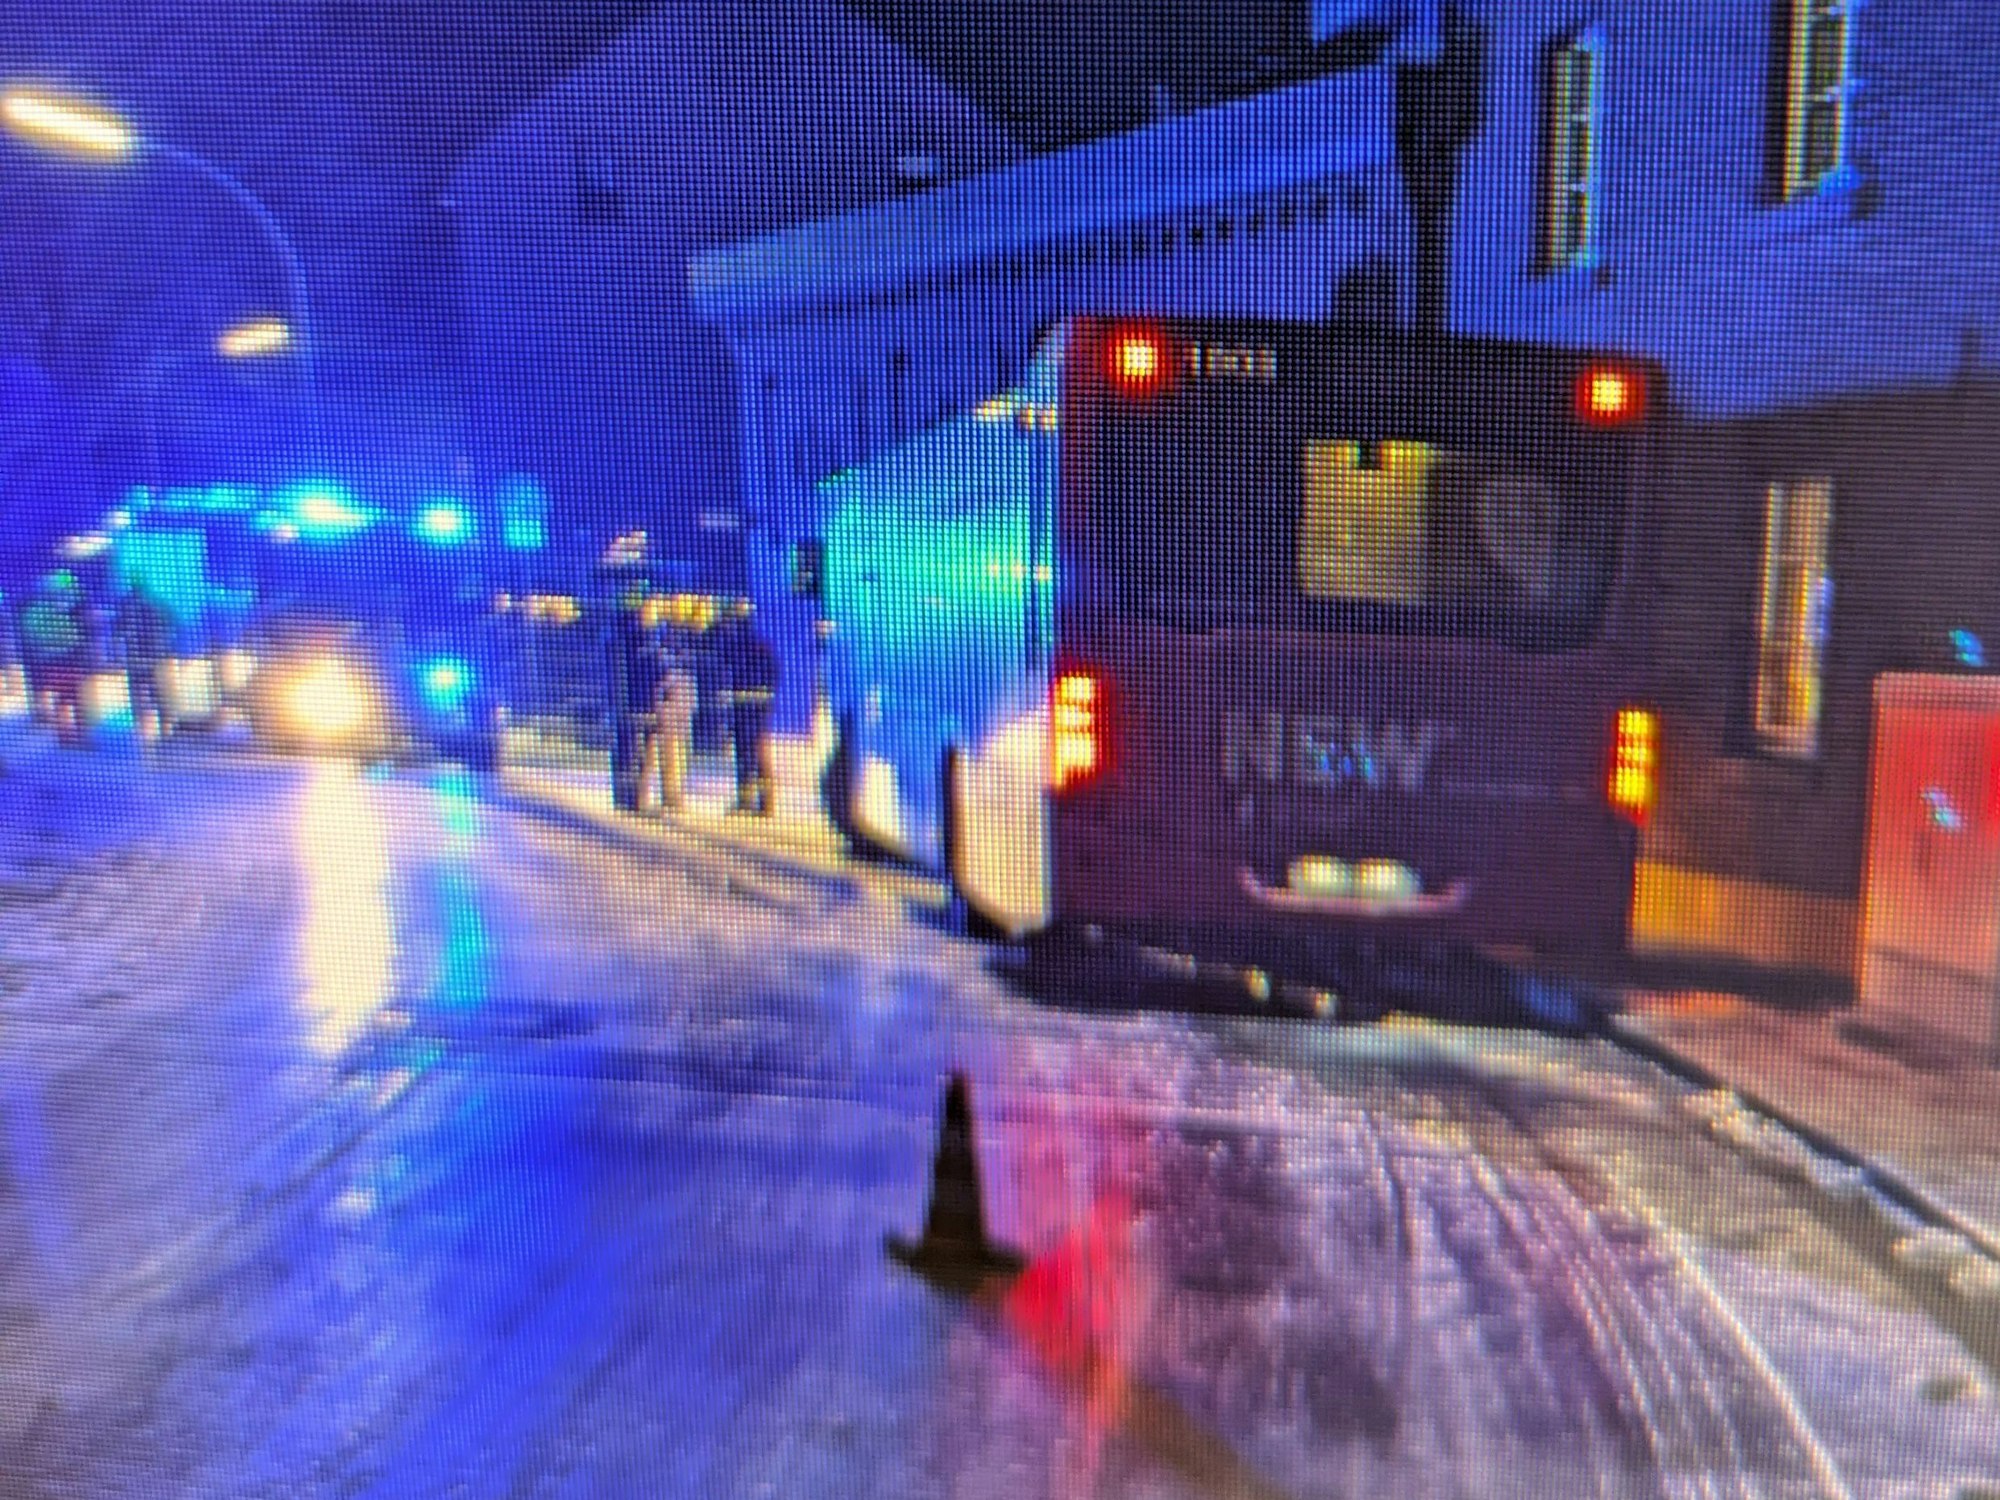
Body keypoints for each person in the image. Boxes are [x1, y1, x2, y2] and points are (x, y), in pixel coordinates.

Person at [716, 600, 780, 815]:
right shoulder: (761, 647)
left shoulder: (736, 645)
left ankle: (752, 801)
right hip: (755, 706)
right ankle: (762, 802)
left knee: (748, 753)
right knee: (755, 753)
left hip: (747, 706)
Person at [605, 588, 662, 811]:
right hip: (641, 706)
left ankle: (624, 798)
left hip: (623, 707)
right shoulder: (646, 642)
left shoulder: (612, 639)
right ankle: (637, 799)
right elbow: (656, 672)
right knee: (638, 755)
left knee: (624, 752)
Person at [18, 572, 90, 745]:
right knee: (73, 698)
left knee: (62, 698)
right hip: (67, 659)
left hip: (48, 661)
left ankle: (64, 735)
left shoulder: (33, 612)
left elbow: (29, 637)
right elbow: (76, 635)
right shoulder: (66, 611)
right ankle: (77, 736)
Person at [113, 586, 173, 743]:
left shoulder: (127, 605)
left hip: (137, 657)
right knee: (154, 690)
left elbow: (118, 633)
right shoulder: (155, 603)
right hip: (150, 656)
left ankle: (144, 726)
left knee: (139, 691)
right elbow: (169, 624)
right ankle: (163, 725)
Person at [653, 624, 700, 812]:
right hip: (678, 707)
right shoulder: (679, 654)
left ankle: (673, 797)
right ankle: (673, 796)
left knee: (675, 751)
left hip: (675, 708)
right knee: (673, 752)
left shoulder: (671, 658)